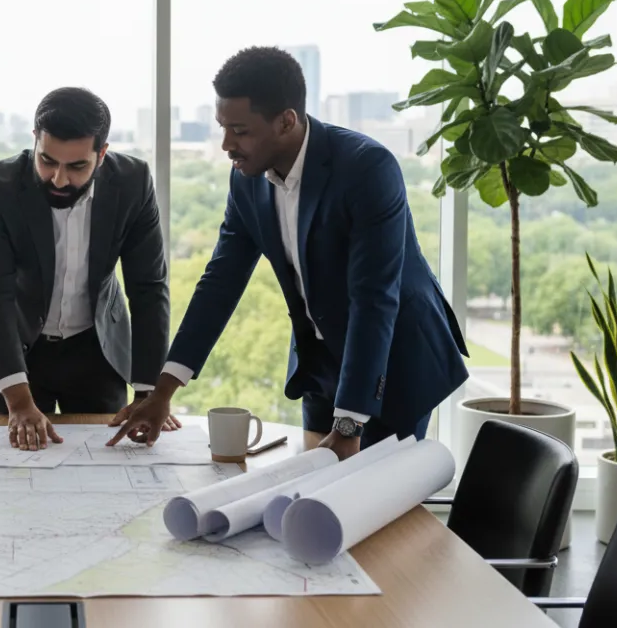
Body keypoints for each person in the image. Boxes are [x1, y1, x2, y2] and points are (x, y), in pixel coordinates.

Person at [110, 47, 469, 459]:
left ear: (286, 121)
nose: (227, 144)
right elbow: (220, 284)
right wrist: (163, 390)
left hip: (393, 360)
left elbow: (374, 298)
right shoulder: (246, 180)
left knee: (377, 505)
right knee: (315, 495)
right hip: (320, 364)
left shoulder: (367, 168)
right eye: (222, 128)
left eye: (240, 130)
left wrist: (350, 422)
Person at [0, 87, 179, 450]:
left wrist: (147, 392)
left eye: (76, 166)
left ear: (101, 154)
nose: (58, 179)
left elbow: (149, 288)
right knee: (9, 470)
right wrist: (19, 401)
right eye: (47, 161)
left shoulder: (132, 182)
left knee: (107, 468)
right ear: (35, 141)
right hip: (17, 348)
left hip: (97, 350)